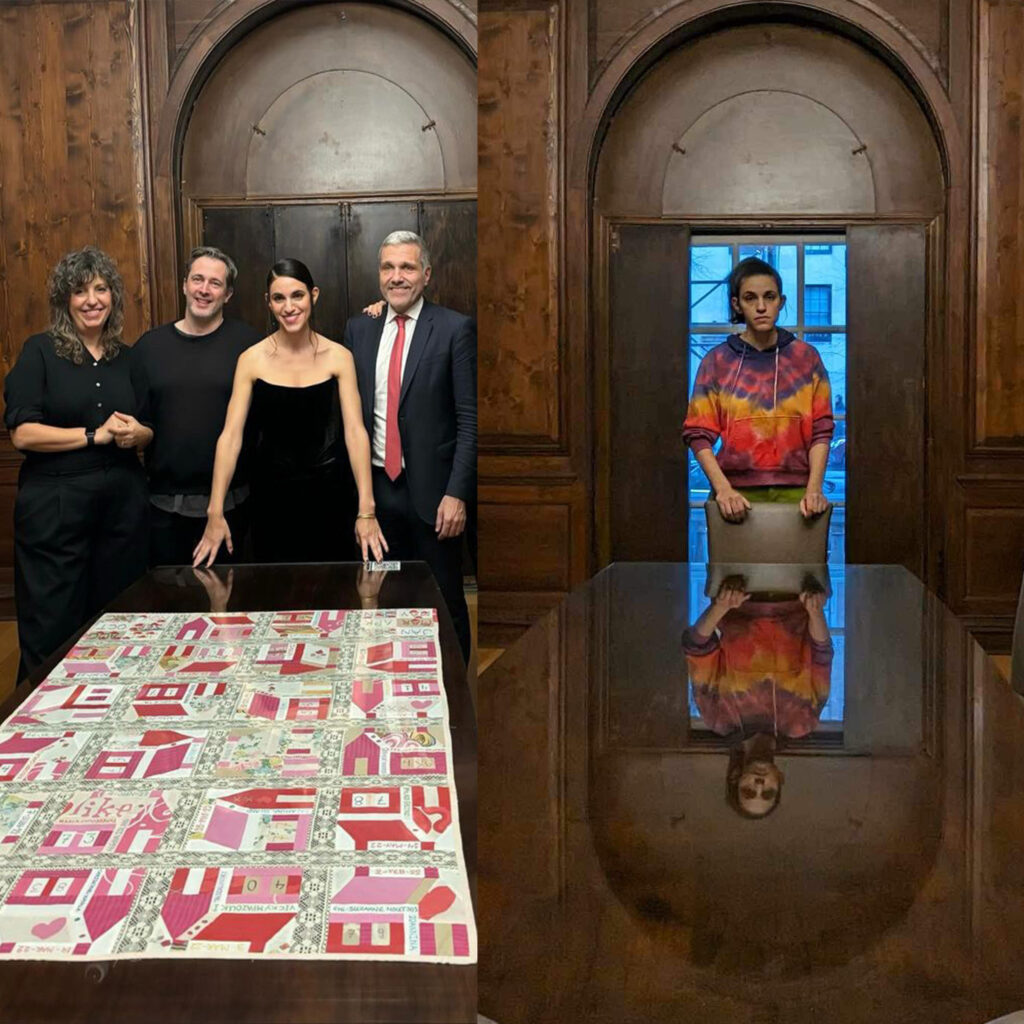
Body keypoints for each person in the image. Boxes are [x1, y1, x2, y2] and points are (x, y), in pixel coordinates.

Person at [4, 246, 150, 679]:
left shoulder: (128, 358)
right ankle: (38, 725)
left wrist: (139, 434)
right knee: (52, 628)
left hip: (122, 510)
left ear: (114, 297)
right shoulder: (40, 352)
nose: (92, 300)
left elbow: (147, 424)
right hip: (55, 510)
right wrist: (93, 435)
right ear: (64, 300)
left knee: (118, 625)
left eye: (101, 289)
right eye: (80, 291)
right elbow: (22, 433)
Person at [192, 258, 385, 566]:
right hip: (271, 500)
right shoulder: (252, 359)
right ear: (269, 303)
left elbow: (355, 432)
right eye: (279, 298)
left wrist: (367, 510)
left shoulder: (339, 357)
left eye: (297, 295)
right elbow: (230, 437)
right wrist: (215, 513)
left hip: (330, 497)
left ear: (314, 295)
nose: (289, 306)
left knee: (334, 597)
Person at [343, 231, 476, 662]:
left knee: (445, 601)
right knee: (380, 597)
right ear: (378, 275)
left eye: (407, 267)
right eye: (388, 267)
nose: (397, 277)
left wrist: (456, 493)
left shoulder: (455, 329)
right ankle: (392, 684)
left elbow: (469, 419)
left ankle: (454, 699)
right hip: (377, 495)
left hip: (435, 498)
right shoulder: (359, 329)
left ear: (427, 275)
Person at [131, 246, 262, 565]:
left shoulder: (250, 345)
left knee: (229, 607)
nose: (204, 290)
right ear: (184, 285)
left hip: (233, 505)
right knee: (169, 606)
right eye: (198, 279)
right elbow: (139, 422)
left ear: (228, 294)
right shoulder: (149, 347)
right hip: (162, 506)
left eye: (215, 283)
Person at [683, 256, 834, 522]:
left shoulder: (806, 357)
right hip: (734, 494)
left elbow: (821, 429)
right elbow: (697, 433)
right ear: (736, 304)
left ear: (781, 302)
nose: (761, 306)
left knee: (803, 566)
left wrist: (815, 488)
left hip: (799, 492)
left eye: (770, 297)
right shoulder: (716, 361)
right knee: (730, 566)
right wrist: (723, 489)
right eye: (750, 298)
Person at [682, 577, 833, 818]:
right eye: (768, 793)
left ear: (735, 777)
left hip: (738, 588)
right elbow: (821, 654)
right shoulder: (802, 722)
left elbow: (696, 647)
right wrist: (816, 611)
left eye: (749, 791)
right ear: (780, 780)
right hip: (799, 590)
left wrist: (721, 606)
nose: (760, 785)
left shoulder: (718, 718)